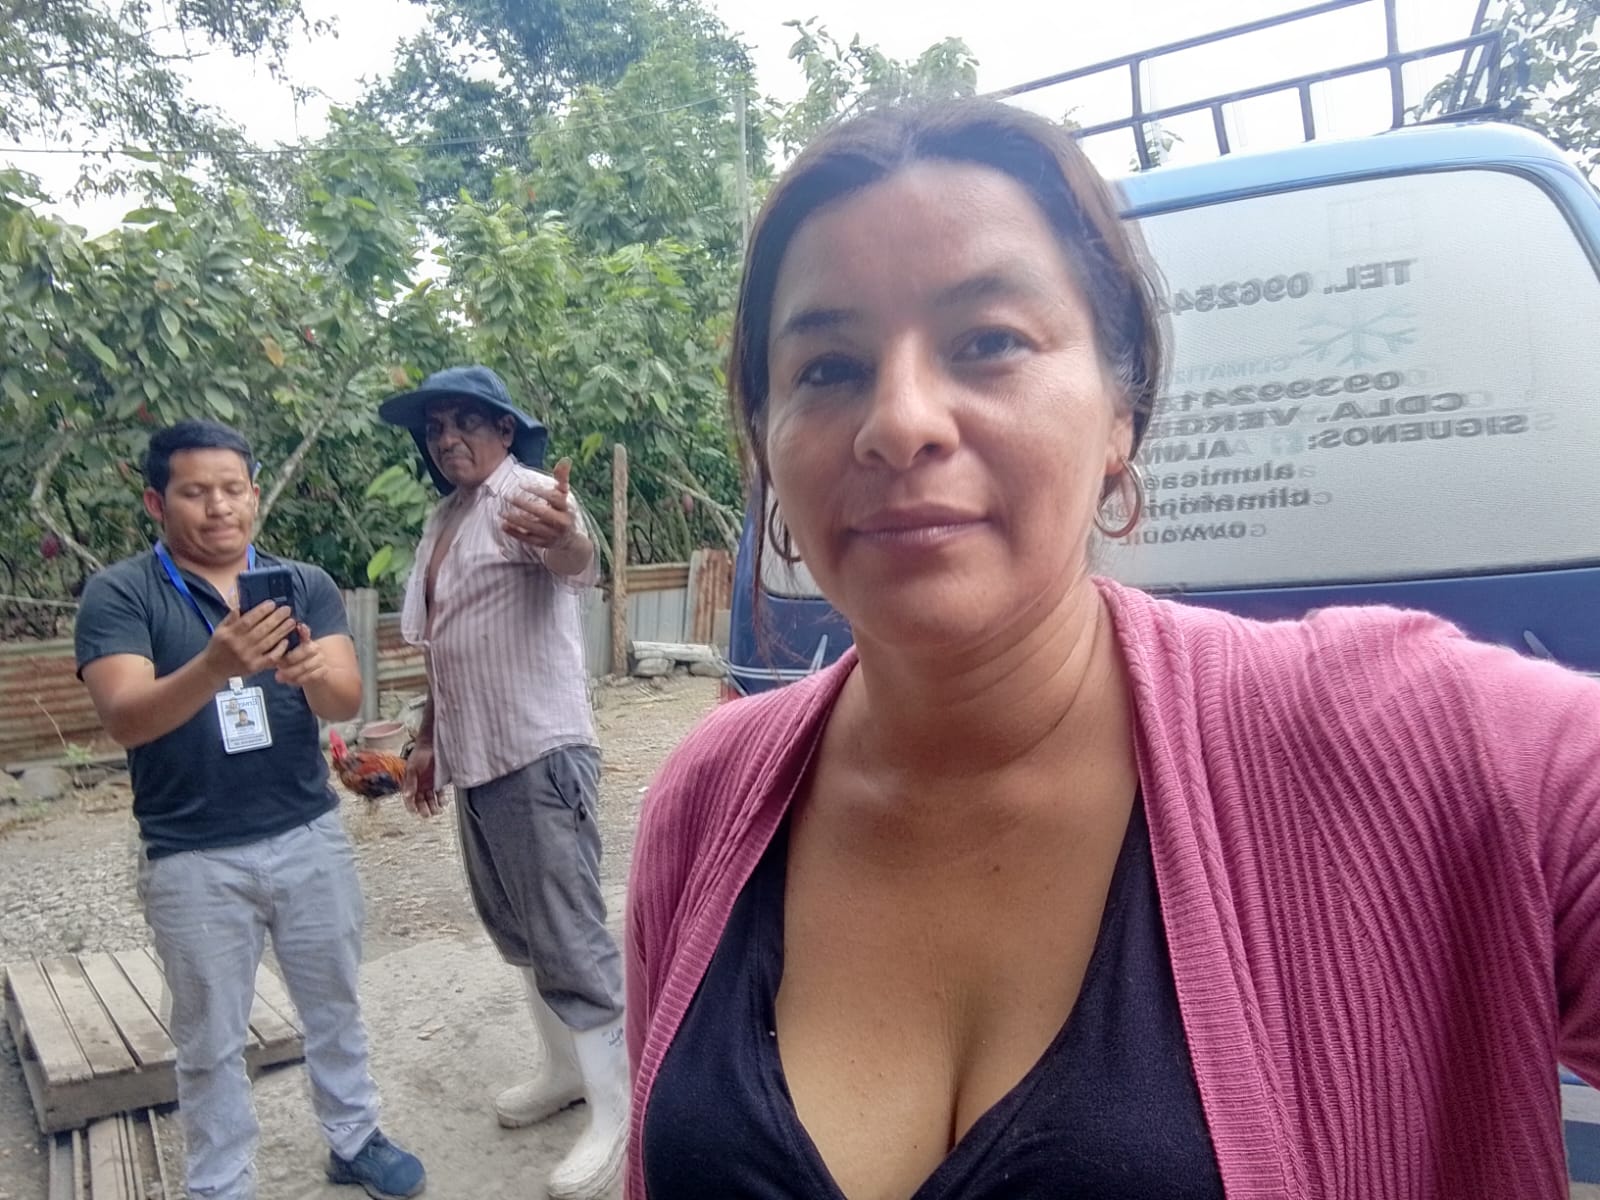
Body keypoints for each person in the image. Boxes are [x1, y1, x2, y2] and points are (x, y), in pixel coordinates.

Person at [624, 100, 1600, 1199]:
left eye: (989, 342)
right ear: (767, 443)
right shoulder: (703, 803)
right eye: (827, 367)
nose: (899, 422)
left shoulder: (1401, 739)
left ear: (1118, 412)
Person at [74, 420, 425, 1200]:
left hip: (308, 832)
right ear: (156, 502)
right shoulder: (121, 593)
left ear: (255, 495)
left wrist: (312, 673)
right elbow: (125, 718)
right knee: (209, 1037)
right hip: (190, 852)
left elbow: (345, 699)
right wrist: (214, 666)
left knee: (333, 1004)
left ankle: (354, 1137)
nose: (218, 508)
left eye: (233, 489)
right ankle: (221, 1182)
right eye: (195, 492)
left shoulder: (302, 584)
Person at [379, 365, 628, 1200]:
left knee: (567, 936)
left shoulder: (527, 495)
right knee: (519, 929)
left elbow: (574, 557)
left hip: (538, 753)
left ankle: (619, 1112)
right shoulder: (446, 517)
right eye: (434, 428)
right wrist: (426, 741)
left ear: (505, 429)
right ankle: (567, 1073)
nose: (447, 438)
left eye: (465, 422)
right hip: (478, 759)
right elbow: (445, 646)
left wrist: (567, 534)